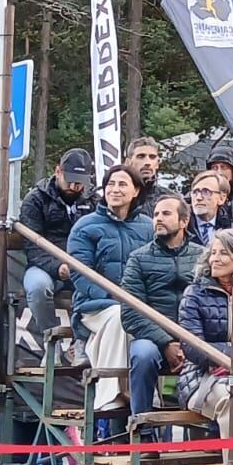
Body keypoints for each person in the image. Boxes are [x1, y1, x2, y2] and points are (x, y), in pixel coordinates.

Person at [68, 163, 155, 413]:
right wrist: (111, 298)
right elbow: (80, 273)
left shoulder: (149, 227)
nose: (115, 190)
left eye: (122, 184)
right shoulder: (85, 226)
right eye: (110, 184)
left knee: (134, 319)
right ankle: (112, 393)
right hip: (95, 305)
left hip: (138, 305)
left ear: (136, 190)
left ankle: (142, 394)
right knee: (120, 316)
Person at [121, 193, 205, 432]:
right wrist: (167, 342)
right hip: (153, 338)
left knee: (214, 356)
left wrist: (190, 342)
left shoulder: (203, 256)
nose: (158, 218)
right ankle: (143, 430)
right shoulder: (138, 258)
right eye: (156, 214)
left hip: (195, 336)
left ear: (184, 221)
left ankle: (204, 438)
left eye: (166, 213)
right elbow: (131, 311)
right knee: (142, 354)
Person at [175, 230, 233, 418]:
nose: (215, 259)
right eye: (213, 253)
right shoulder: (194, 294)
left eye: (223, 253)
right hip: (201, 378)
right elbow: (192, 347)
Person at [18, 149, 94, 337]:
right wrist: (56, 266)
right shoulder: (35, 200)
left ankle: (83, 342)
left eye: (80, 182)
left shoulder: (94, 201)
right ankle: (50, 340)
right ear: (58, 171)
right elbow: (32, 246)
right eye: (70, 180)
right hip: (44, 265)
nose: (75, 186)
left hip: (84, 266)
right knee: (37, 288)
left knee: (99, 289)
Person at [126, 136, 172, 218]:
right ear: (128, 162)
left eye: (152, 157)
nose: (147, 162)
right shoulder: (119, 195)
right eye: (141, 156)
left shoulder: (171, 198)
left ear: (157, 164)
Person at [188, 169, 233, 244]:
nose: (198, 197)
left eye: (206, 192)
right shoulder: (178, 227)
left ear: (221, 198)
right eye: (195, 192)